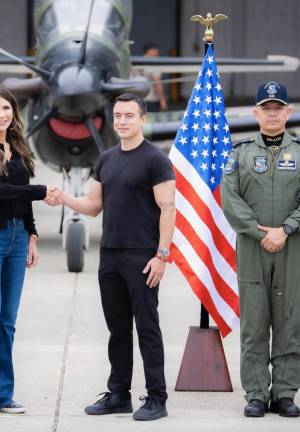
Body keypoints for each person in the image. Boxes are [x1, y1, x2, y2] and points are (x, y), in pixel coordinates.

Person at [51, 93, 176, 421]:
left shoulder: (155, 160)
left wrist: (162, 255)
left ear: (142, 119)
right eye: (118, 116)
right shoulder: (106, 159)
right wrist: (65, 197)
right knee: (118, 329)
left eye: (129, 115)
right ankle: (119, 393)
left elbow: (168, 207)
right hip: (110, 256)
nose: (122, 121)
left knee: (147, 328)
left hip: (143, 256)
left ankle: (156, 398)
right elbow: (93, 206)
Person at [221, 82, 300, 418]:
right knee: (254, 320)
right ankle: (255, 393)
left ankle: (285, 392)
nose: (272, 113)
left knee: (290, 319)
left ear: (288, 112)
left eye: (277, 107)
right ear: (255, 113)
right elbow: (230, 199)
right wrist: (257, 232)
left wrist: (287, 229)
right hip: (252, 247)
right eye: (265, 108)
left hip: (291, 246)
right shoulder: (240, 154)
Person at [0, 85, 55, 418]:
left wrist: (31, 234)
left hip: (17, 238)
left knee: (8, 322)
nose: (2, 114)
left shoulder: (17, 146)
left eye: (7, 108)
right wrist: (42, 190)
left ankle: (4, 394)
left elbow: (19, 197)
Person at [137, 43, 167, 112]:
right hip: (150, 99)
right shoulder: (153, 62)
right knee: (151, 121)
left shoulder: (137, 61)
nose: (157, 52)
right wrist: (162, 100)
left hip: (137, 99)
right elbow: (157, 82)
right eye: (156, 50)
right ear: (151, 50)